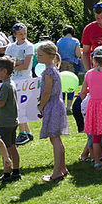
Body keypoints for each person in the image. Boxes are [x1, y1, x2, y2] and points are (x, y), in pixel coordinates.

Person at [37, 42, 69, 182]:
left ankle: (56, 172)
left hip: (52, 105)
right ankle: (62, 168)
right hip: (57, 104)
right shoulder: (53, 69)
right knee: (56, 138)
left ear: (50, 56)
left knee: (55, 139)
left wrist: (41, 105)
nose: (38, 57)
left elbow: (47, 91)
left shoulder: (48, 71)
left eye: (40, 55)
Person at [0, 56, 21, 183]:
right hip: (11, 120)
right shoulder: (9, 83)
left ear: (5, 71)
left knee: (5, 149)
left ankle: (7, 173)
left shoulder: (6, 86)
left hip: (5, 122)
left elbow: (0, 103)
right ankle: (16, 171)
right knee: (12, 146)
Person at [5, 23, 35, 145]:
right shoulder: (10, 47)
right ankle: (27, 132)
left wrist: (14, 63)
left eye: (25, 33)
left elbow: (26, 65)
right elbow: (6, 63)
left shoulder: (29, 46)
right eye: (20, 34)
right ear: (15, 35)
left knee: (20, 107)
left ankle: (22, 133)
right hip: (13, 80)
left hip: (25, 80)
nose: (23, 36)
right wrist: (17, 63)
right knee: (16, 106)